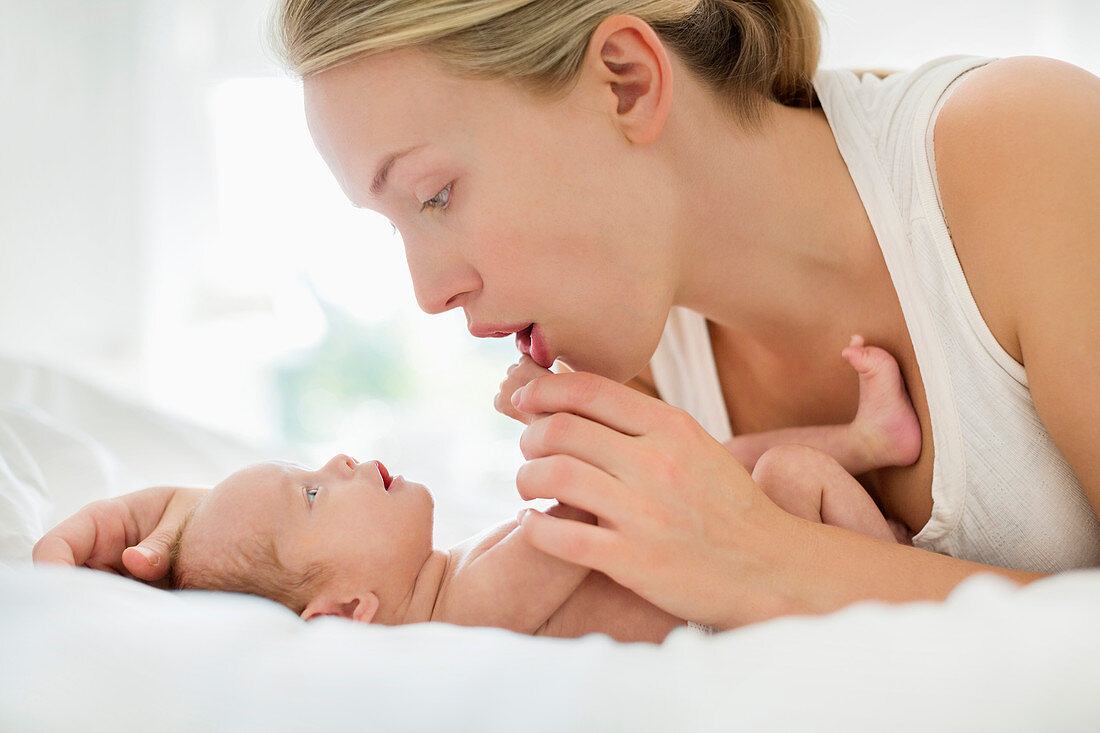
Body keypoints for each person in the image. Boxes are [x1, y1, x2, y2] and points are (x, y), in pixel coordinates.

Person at [34, 1, 1100, 631]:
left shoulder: (1025, 159)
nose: (425, 291)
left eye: (436, 196)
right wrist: (225, 542)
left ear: (627, 82)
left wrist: (771, 565)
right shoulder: (631, 359)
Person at [166, 339, 917, 640]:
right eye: (311, 496)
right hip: (752, 600)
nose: (333, 462)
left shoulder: (451, 573)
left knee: (708, 463)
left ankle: (869, 443)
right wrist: (544, 404)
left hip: (724, 562)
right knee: (783, 477)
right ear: (348, 612)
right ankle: (898, 561)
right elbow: (595, 493)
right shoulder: (462, 613)